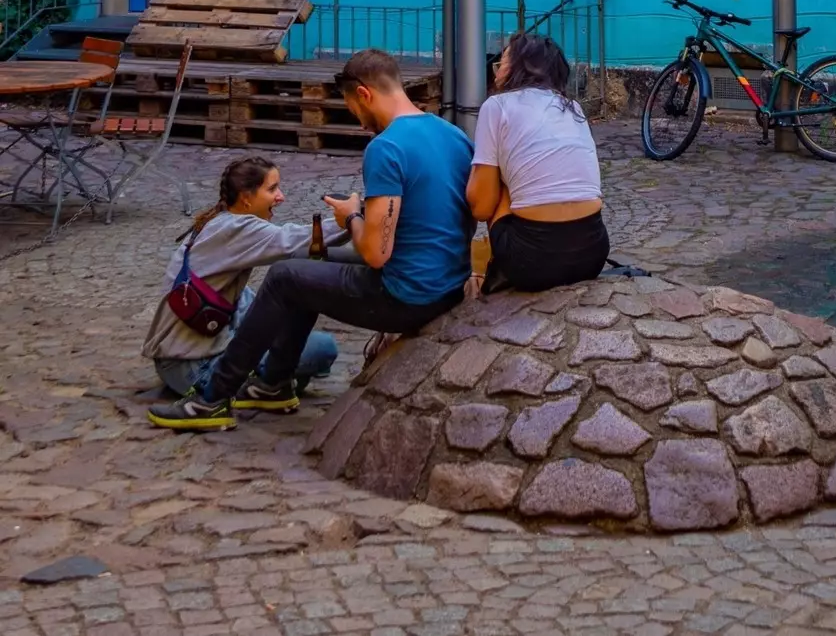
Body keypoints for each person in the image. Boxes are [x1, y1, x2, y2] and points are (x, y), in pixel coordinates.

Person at [149, 49, 473, 431]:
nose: (356, 119)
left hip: (408, 296)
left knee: (285, 277)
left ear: (364, 95)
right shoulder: (452, 135)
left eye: (351, 106)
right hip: (449, 286)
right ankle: (273, 384)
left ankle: (211, 399)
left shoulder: (386, 148)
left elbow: (375, 253)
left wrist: (351, 215)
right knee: (306, 273)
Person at [144, 156, 340, 400]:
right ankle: (260, 385)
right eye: (272, 189)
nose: (281, 197)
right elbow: (294, 240)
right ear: (246, 197)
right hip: (192, 368)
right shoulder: (237, 228)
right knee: (322, 348)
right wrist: (350, 220)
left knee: (293, 338)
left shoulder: (217, 221)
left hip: (179, 360)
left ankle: (273, 378)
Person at [468, 31, 609, 295]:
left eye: (503, 60)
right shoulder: (573, 108)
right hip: (593, 254)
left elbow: (481, 206)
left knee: (498, 177)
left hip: (532, 263)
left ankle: (497, 271)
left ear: (521, 66)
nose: (496, 70)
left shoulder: (496, 106)